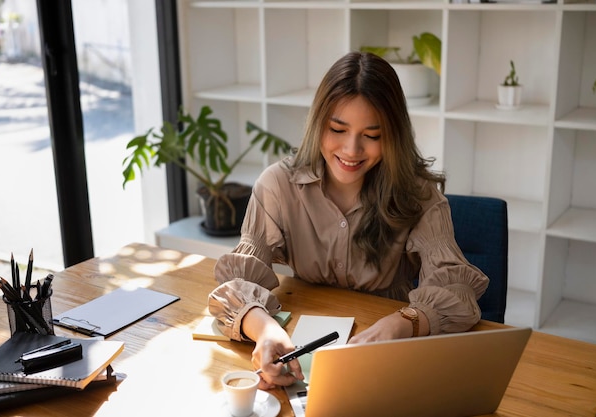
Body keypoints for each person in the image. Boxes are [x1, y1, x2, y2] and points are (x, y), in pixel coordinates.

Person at [208, 51, 489, 389]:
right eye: (338, 129)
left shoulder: (420, 195)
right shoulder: (278, 186)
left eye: (372, 135)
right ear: (318, 124)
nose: (352, 149)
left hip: (388, 353)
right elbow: (235, 282)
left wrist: (403, 324)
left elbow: (457, 293)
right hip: (303, 352)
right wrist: (265, 330)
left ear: (393, 135)